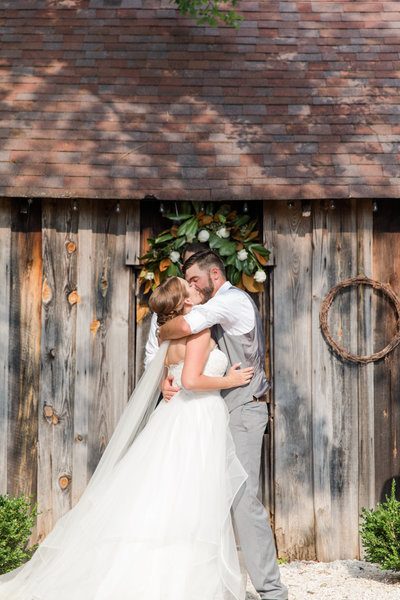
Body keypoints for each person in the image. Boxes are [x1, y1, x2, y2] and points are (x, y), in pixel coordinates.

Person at [0, 276, 254, 600]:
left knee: (164, 493)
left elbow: (171, 376)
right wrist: (229, 379)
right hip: (197, 418)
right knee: (192, 496)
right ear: (186, 301)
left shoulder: (170, 332)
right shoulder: (199, 332)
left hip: (173, 417)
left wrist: (169, 382)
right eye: (187, 286)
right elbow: (190, 380)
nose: (194, 287)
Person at [158, 250, 288, 600]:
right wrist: (164, 378)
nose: (192, 288)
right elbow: (175, 346)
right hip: (214, 415)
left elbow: (182, 327)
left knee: (243, 500)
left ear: (215, 274)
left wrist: (160, 329)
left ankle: (272, 592)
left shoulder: (232, 301)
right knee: (207, 497)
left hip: (243, 410)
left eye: (196, 280)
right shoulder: (210, 310)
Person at [144, 241, 209, 369]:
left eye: (200, 266)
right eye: (190, 266)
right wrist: (163, 382)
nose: (195, 271)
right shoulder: (167, 307)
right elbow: (152, 355)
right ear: (182, 268)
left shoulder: (219, 302)